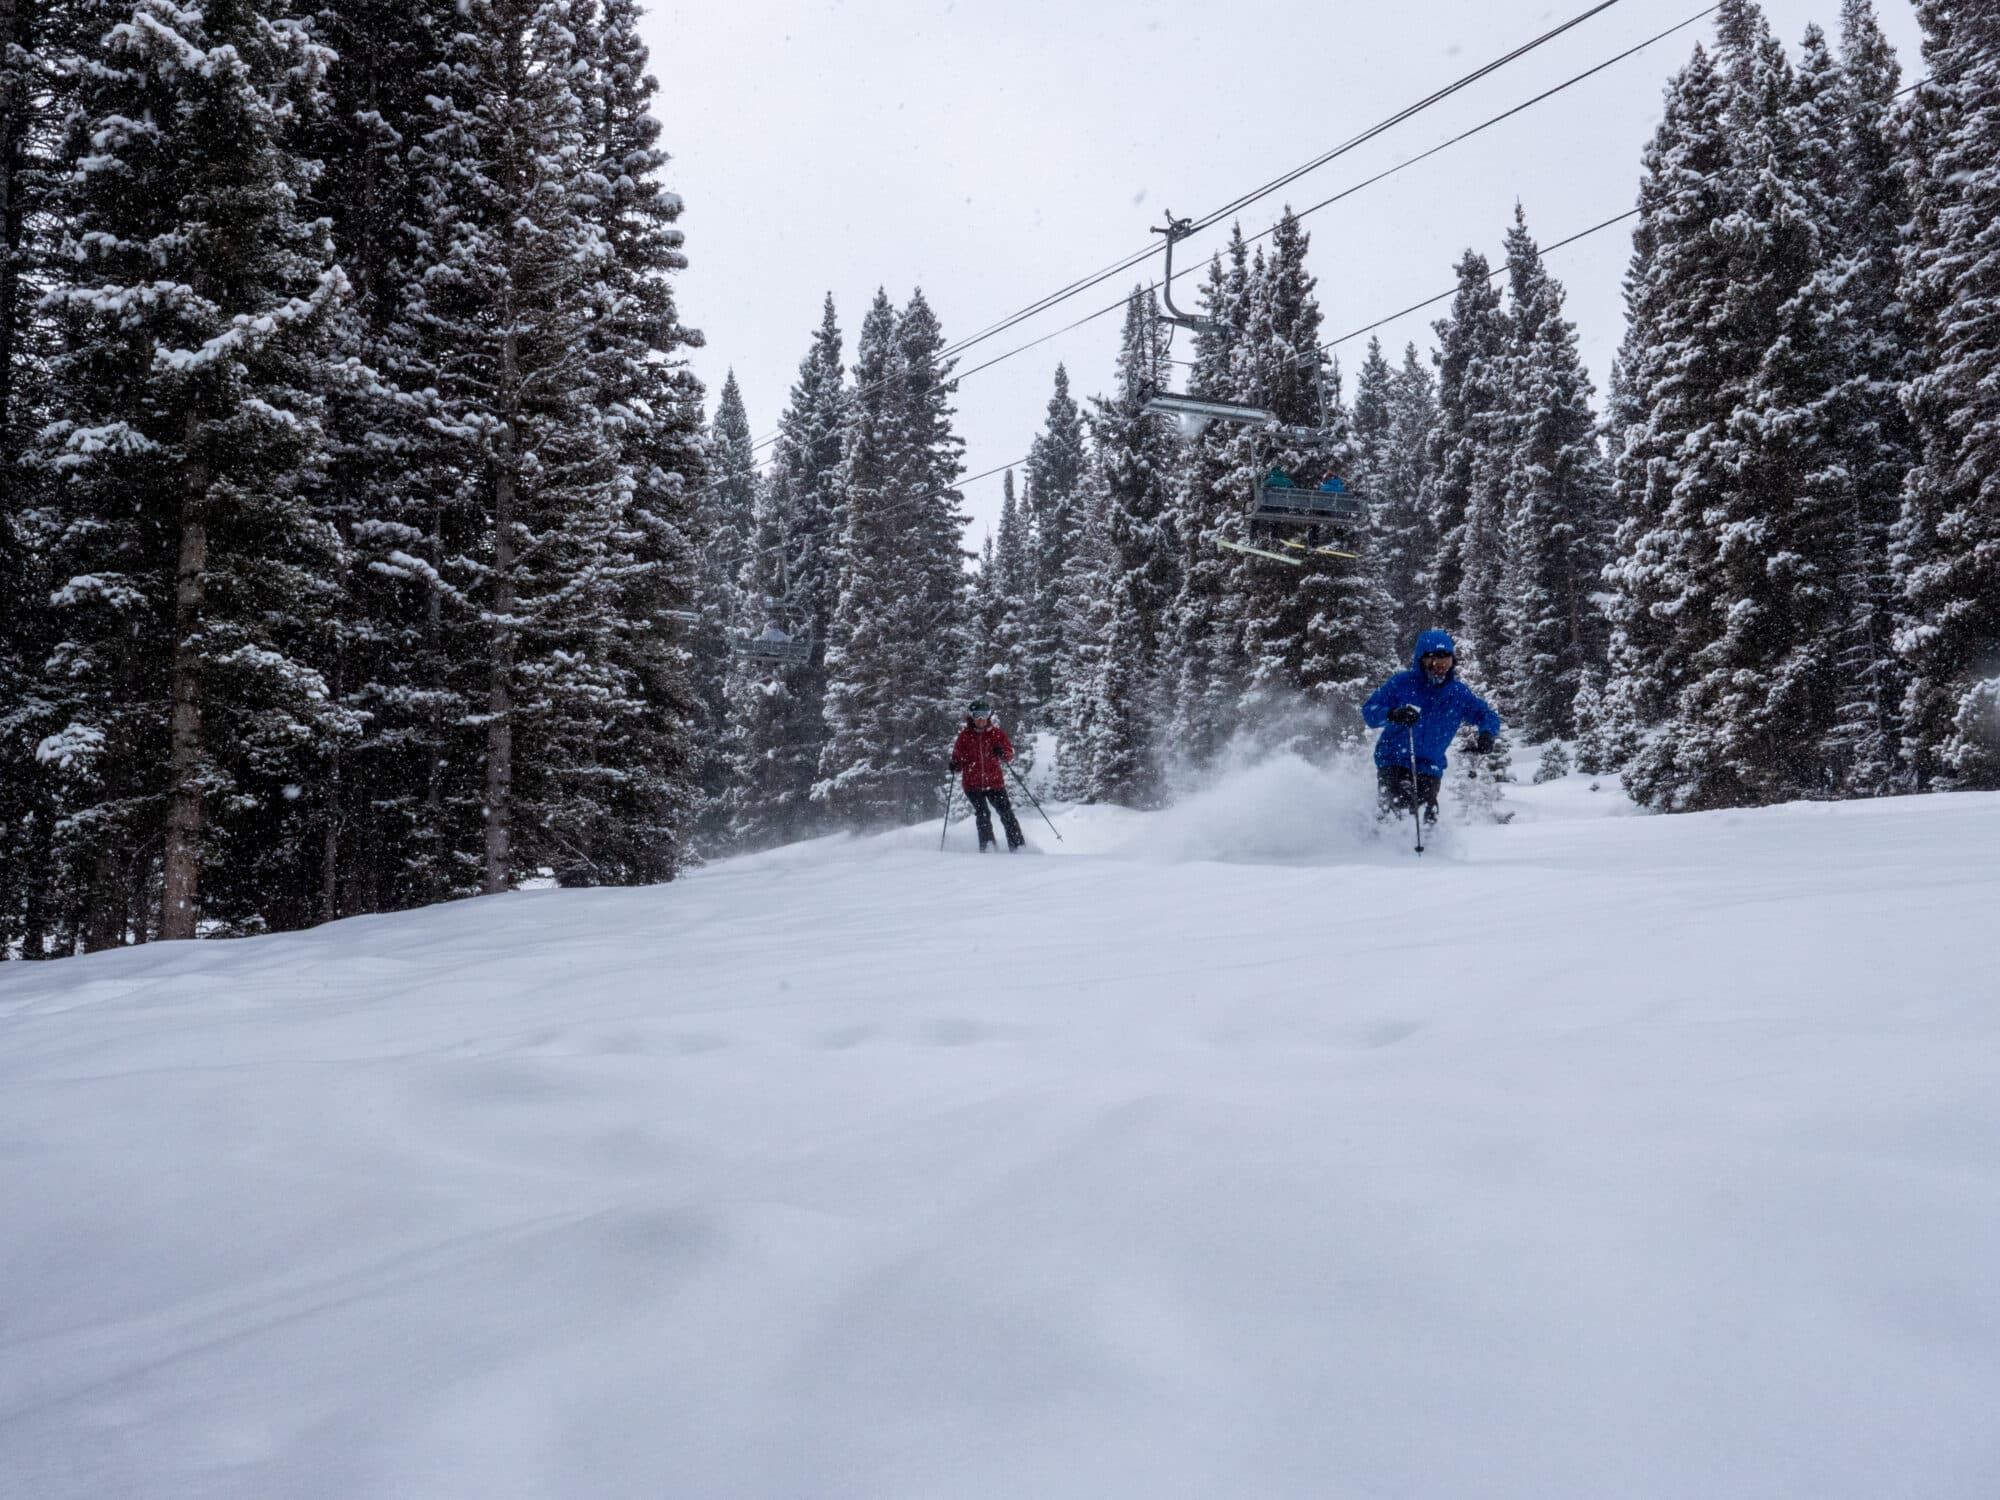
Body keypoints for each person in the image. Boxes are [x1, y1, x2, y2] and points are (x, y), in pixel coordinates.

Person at [1361, 630, 1501, 824]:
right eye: (1433, 662)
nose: (1439, 669)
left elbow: (1486, 715)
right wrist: (1392, 713)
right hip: (1394, 758)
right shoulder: (1402, 683)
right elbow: (1369, 711)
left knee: (1427, 813)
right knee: (1396, 806)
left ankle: (1430, 851)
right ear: (1421, 661)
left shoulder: (1457, 694)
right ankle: (1381, 845)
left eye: (1446, 662)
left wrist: (1487, 733)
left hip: (1430, 764)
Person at [950, 700, 1025, 852]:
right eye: (977, 715)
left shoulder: (997, 734)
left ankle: (1018, 848)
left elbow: (1009, 754)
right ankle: (988, 848)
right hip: (973, 785)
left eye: (985, 715)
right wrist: (955, 765)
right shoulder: (964, 737)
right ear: (971, 716)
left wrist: (1002, 753)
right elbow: (957, 760)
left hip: (995, 783)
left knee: (1007, 814)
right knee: (983, 814)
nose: (981, 719)